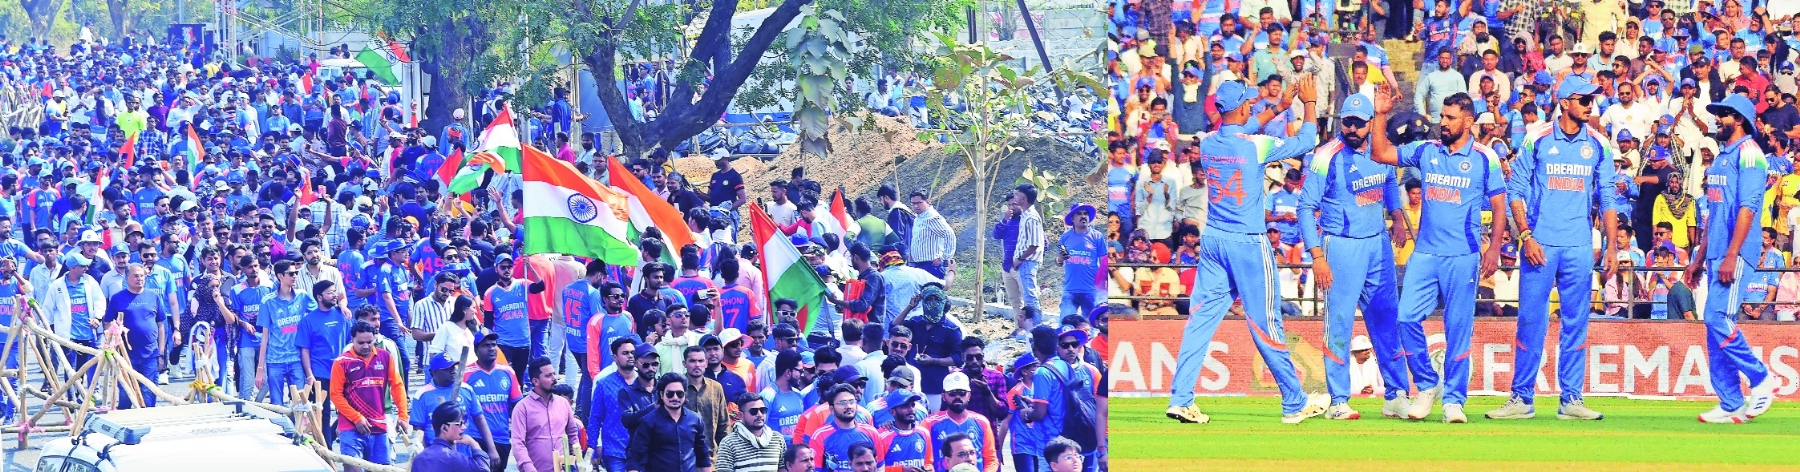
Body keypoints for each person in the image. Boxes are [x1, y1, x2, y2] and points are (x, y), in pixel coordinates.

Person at [1168, 79, 1323, 425]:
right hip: (1248, 242)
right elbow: (1306, 141)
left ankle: (1181, 398)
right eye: (1249, 104)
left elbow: (1241, 128)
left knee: (1199, 322)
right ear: (1240, 107)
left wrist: (1280, 106)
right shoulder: (1256, 146)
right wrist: (1309, 103)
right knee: (1266, 323)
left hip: (1213, 241)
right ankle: (1295, 402)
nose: (1253, 107)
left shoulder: (1208, 143)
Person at [1366, 89, 1508, 423]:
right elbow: (1380, 152)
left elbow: (1500, 207)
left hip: (1463, 255)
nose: (1442, 123)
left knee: (1458, 328)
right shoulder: (1427, 151)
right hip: (1425, 253)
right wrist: (1381, 114)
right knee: (1405, 318)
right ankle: (1428, 384)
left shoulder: (1486, 158)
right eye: (1442, 117)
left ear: (1468, 121)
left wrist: (1494, 248)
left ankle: (1454, 401)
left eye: (1450, 118)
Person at [1490, 76, 1621, 421]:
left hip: (1579, 246)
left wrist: (1611, 246)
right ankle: (1521, 398)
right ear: (1564, 102)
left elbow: (1607, 196)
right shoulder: (1537, 139)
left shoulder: (1600, 144)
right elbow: (1515, 190)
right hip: (1540, 246)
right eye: (1583, 99)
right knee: (1531, 321)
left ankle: (1571, 399)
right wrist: (1526, 237)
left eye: (1591, 100)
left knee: (1576, 323)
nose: (1589, 105)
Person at [1297, 92, 1412, 420]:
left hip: (1377, 246)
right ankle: (1338, 401)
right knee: (1339, 324)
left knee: (1386, 321)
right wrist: (1317, 256)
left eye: (1360, 124)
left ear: (1370, 123)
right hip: (1341, 247)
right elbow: (1306, 208)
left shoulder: (1380, 145)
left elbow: (1390, 181)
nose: (1352, 129)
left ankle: (1396, 395)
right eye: (1347, 122)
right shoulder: (1326, 156)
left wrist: (1398, 217)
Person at [1686, 94, 1781, 423]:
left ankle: (1761, 379)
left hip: (1736, 251)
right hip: (1716, 253)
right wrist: (1698, 259)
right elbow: (1713, 214)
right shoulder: (1721, 157)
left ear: (1737, 119)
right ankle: (1729, 402)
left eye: (1722, 115)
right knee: (1713, 328)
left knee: (1717, 318)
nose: (1716, 120)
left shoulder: (1751, 154)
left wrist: (1730, 254)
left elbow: (1748, 207)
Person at [329, 321, 409, 470]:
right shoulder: (342, 362)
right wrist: (356, 418)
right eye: (361, 342)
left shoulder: (385, 357)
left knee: (381, 469)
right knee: (352, 468)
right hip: (350, 427)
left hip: (379, 425)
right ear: (352, 340)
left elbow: (397, 387)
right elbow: (335, 395)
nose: (366, 346)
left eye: (369, 342)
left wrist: (403, 416)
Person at [101, 263, 164, 408]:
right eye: (135, 276)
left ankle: (148, 422)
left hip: (150, 354)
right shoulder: (117, 298)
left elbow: (161, 325)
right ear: (127, 277)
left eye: (142, 276)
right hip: (126, 356)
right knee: (125, 393)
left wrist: (161, 353)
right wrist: (111, 346)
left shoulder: (153, 296)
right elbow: (107, 323)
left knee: (149, 393)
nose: (139, 279)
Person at [298, 280, 351, 442]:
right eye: (330, 292)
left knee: (348, 412)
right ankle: (326, 449)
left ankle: (337, 442)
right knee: (323, 413)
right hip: (321, 374)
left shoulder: (343, 315)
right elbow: (304, 350)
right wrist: (309, 375)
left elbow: (351, 342)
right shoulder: (308, 320)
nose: (334, 295)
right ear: (319, 297)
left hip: (344, 372)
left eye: (335, 291)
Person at [510, 356, 585, 472]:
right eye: (548, 375)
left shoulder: (563, 403)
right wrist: (528, 467)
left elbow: (572, 435)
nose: (554, 378)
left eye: (554, 374)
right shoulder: (522, 408)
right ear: (536, 381)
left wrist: (577, 461)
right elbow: (518, 443)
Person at [627, 373, 714, 472]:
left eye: (680, 393)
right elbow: (635, 458)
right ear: (661, 394)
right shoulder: (648, 421)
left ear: (685, 394)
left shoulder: (695, 419)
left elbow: (703, 456)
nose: (675, 397)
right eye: (670, 393)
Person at [466, 332, 521, 465]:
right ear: (476, 350)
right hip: (476, 438)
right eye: (486, 345)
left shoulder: (508, 372)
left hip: (501, 438)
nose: (491, 348)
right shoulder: (466, 374)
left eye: (493, 345)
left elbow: (518, 407)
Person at [589, 338, 642, 472]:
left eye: (632, 352)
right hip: (615, 450)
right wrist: (593, 448)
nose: (630, 356)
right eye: (625, 353)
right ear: (615, 357)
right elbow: (595, 418)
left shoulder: (645, 382)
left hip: (642, 449)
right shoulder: (604, 383)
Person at [807, 384, 882, 472]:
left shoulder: (871, 432)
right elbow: (815, 470)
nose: (848, 406)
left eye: (851, 402)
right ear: (831, 409)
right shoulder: (820, 436)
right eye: (842, 403)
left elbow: (880, 467)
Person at [715, 392, 788, 472]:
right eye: (753, 411)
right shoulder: (728, 443)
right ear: (740, 415)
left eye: (763, 410)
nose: (759, 414)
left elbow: (783, 469)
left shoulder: (777, 439)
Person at [412, 402, 495, 472]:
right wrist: (474, 444)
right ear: (444, 428)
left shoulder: (419, 458)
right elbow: (483, 469)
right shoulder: (453, 458)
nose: (464, 427)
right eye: (459, 424)